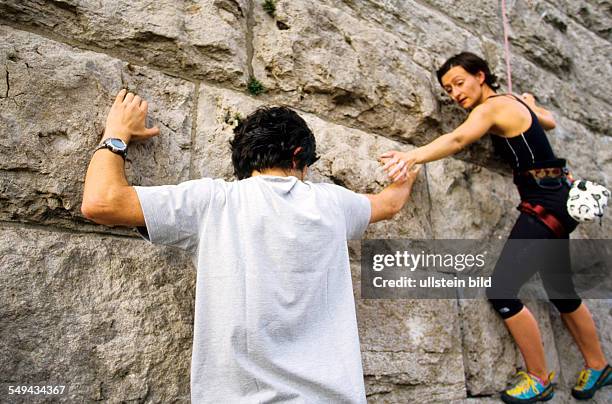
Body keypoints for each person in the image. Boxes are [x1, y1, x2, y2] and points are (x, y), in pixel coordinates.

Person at [81, 89, 421, 403]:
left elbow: (101, 203)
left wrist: (117, 134)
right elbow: (389, 204)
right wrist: (408, 170)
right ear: (299, 156)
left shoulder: (214, 201)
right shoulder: (332, 203)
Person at [380, 52, 611, 403]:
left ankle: (538, 378)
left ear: (481, 76)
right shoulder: (511, 103)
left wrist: (411, 156)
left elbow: (458, 140)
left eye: (459, 83)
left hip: (544, 204)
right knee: (560, 289)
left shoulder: (490, 108)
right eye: (448, 90)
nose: (455, 94)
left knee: (502, 289)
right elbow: (548, 121)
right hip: (558, 199)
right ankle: (599, 365)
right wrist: (528, 104)